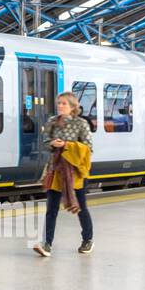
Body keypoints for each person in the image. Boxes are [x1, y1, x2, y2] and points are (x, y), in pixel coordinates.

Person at [33, 91, 94, 257]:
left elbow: (88, 148)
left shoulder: (81, 124)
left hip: (76, 173)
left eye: (64, 103)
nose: (60, 106)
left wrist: (66, 145)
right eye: (59, 103)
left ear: (73, 107)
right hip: (55, 170)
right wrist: (52, 144)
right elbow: (45, 142)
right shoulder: (52, 122)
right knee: (51, 209)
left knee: (81, 208)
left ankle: (87, 239)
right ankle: (47, 244)